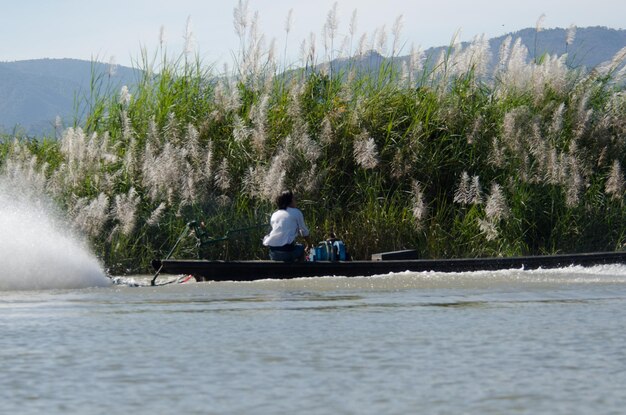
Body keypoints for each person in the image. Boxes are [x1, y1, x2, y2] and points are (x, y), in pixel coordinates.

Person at [263, 190, 311, 261]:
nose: (296, 201)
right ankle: (301, 271)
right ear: (291, 200)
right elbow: (304, 232)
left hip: (273, 254)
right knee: (301, 248)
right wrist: (309, 245)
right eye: (294, 199)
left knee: (292, 248)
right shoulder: (296, 212)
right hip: (286, 253)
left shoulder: (274, 214)